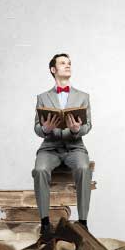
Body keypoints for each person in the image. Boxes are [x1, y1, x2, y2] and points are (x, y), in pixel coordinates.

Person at [32, 53, 92, 237]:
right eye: (63, 63)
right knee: (40, 170)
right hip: (50, 148)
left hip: (75, 147)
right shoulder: (42, 97)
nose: (68, 66)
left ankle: (82, 223)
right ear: (53, 69)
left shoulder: (83, 96)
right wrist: (46, 128)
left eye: (69, 63)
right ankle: (45, 223)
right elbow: (36, 127)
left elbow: (88, 125)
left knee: (83, 167)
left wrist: (75, 130)